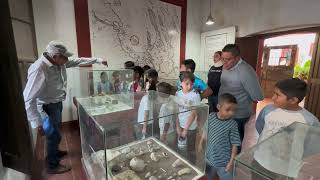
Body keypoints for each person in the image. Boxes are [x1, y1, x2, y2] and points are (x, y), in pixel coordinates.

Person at [23, 41, 108, 174]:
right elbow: (28, 99)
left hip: (56, 104)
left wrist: (98, 60)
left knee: (56, 132)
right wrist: (36, 122)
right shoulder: (39, 68)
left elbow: (78, 61)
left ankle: (55, 152)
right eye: (64, 57)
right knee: (52, 134)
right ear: (56, 56)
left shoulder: (59, 62)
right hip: (45, 107)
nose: (67, 60)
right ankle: (52, 165)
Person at [253, 78, 319, 179]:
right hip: (260, 161)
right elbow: (260, 126)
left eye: (278, 95)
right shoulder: (268, 110)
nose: (273, 97)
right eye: (274, 93)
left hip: (285, 170)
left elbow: (311, 146)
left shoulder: (309, 120)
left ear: (293, 100)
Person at [219, 44, 264, 152]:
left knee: (234, 144)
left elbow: (258, 96)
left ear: (237, 58)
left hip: (237, 114)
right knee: (224, 141)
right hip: (224, 109)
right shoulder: (226, 66)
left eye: (228, 59)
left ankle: (232, 164)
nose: (224, 63)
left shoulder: (246, 71)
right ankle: (223, 161)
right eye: (223, 59)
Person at [199, 93, 240, 180]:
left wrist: (231, 161)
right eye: (228, 109)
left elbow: (235, 144)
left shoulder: (233, 124)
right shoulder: (211, 117)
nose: (231, 113)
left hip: (224, 162)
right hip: (209, 158)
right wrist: (200, 143)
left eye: (234, 110)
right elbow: (205, 131)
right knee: (208, 176)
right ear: (219, 107)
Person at [176, 71, 201, 163]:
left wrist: (185, 129)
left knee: (190, 149)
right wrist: (177, 126)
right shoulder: (178, 94)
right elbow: (176, 111)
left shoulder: (195, 95)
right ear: (180, 83)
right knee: (180, 146)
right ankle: (182, 163)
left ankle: (192, 165)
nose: (190, 86)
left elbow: (193, 113)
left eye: (192, 84)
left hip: (190, 127)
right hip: (180, 125)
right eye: (187, 84)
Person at [157, 82, 177, 147]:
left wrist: (163, 135)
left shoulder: (165, 106)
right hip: (172, 130)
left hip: (167, 133)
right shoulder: (171, 99)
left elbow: (167, 123)